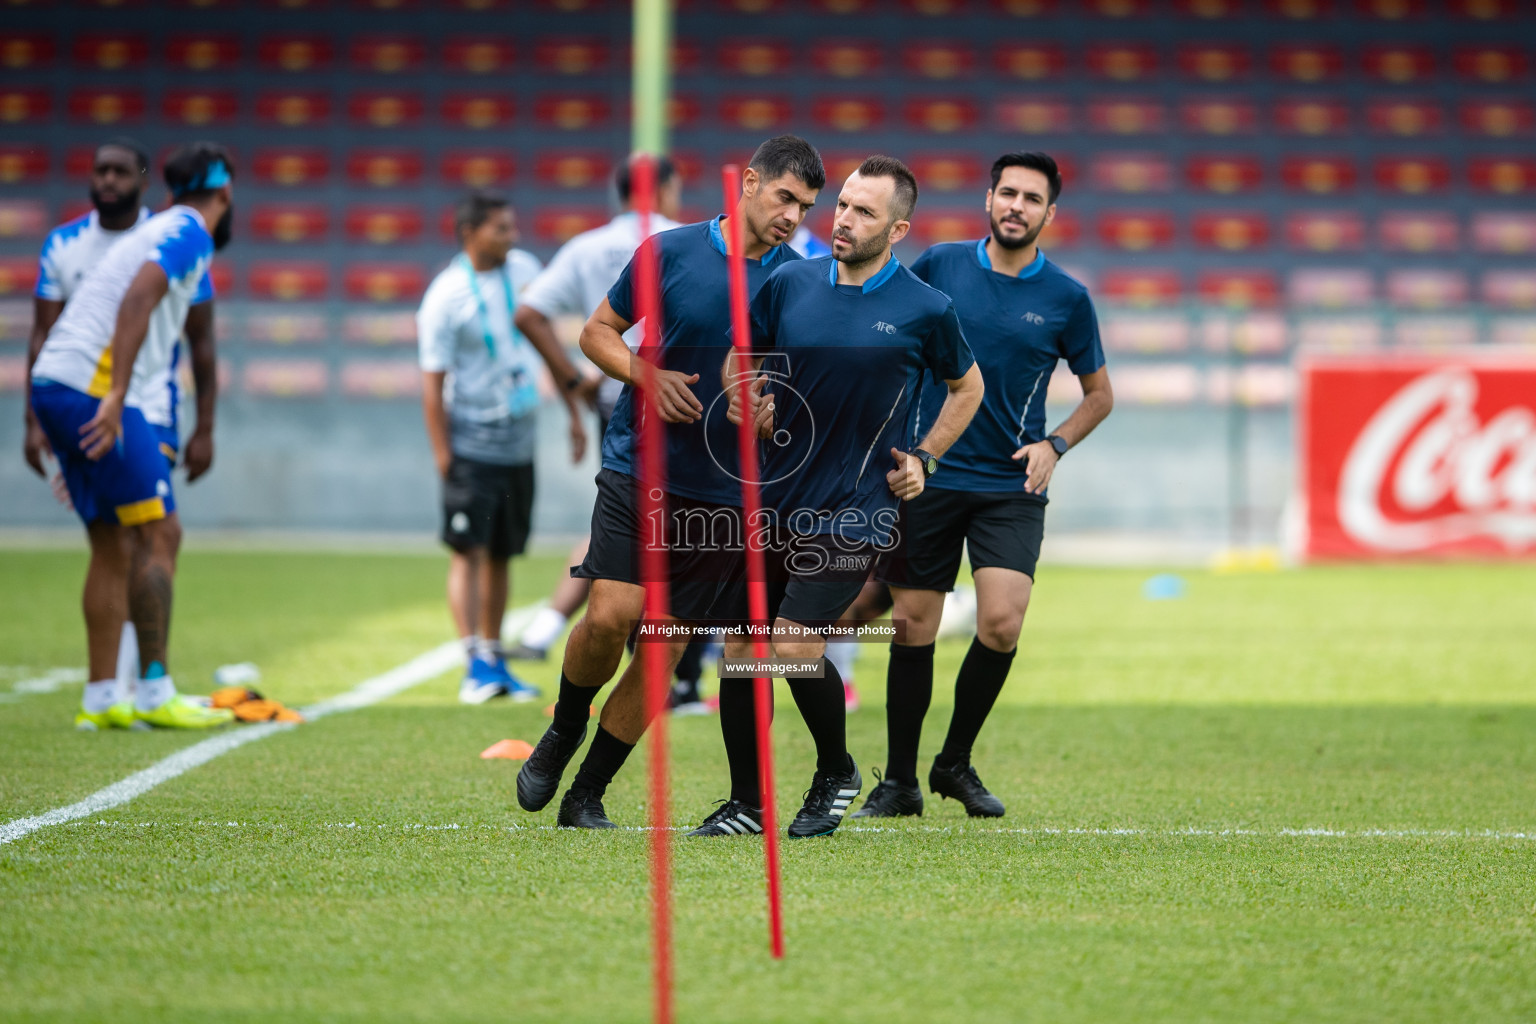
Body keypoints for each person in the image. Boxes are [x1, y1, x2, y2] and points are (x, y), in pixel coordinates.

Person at [515, 135, 826, 829]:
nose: (792, 217)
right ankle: (565, 726)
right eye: (784, 198)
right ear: (748, 183)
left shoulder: (799, 276)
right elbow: (599, 332)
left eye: (805, 207)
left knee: (666, 646)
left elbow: (797, 387)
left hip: (725, 491)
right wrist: (644, 375)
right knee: (611, 614)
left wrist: (773, 411)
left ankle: (586, 794)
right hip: (642, 465)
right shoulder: (671, 253)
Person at [691, 155, 984, 839]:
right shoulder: (790, 282)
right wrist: (748, 402)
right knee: (741, 648)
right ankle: (748, 803)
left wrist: (927, 456)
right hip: (770, 501)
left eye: (864, 212)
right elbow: (744, 358)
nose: (844, 219)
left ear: (899, 228)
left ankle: (836, 770)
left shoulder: (926, 308)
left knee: (792, 645)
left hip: (856, 508)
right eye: (844, 205)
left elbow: (966, 387)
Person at [854, 151, 1114, 820]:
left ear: (1049, 214)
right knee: (913, 625)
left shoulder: (1067, 298)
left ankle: (954, 763)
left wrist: (1055, 444)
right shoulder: (939, 265)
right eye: (1007, 193)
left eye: (1032, 198)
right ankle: (901, 782)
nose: (1016, 206)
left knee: (1001, 621)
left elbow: (1099, 395)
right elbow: (894, 333)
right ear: (988, 199)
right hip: (929, 476)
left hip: (1009, 483)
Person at [28, 141, 237, 730]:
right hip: (94, 389)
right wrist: (117, 395)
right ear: (225, 192)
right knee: (160, 533)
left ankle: (100, 699)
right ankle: (153, 692)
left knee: (112, 545)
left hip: (54, 384)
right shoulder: (191, 230)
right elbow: (138, 299)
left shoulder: (160, 227)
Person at [509, 157, 717, 711]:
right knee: (687, 540)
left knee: (629, 537)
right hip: (685, 396)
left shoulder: (585, 246)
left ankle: (581, 642)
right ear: (669, 189)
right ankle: (677, 678)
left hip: (615, 399)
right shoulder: (683, 240)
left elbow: (529, 312)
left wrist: (572, 379)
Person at [417, 191, 587, 705]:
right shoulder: (446, 297)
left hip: (519, 441)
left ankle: (494, 658)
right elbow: (431, 384)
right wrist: (444, 455)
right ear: (470, 233)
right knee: (469, 552)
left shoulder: (524, 270)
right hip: (471, 442)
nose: (512, 238)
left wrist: (574, 415)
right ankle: (474, 663)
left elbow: (546, 345)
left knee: (502, 554)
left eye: (513, 228)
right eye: (501, 230)